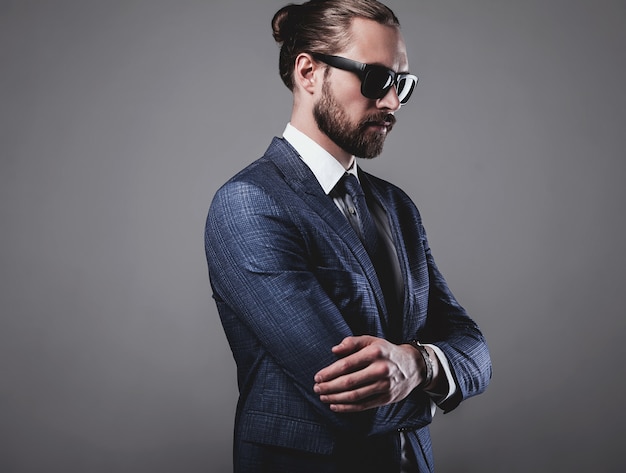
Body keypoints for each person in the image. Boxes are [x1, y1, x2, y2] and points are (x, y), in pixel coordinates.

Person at [205, 1, 491, 471]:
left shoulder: (397, 206)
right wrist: (442, 379)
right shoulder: (250, 204)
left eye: (402, 83)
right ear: (309, 72)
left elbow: (471, 344)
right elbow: (351, 401)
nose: (393, 102)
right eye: (377, 79)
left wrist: (418, 365)